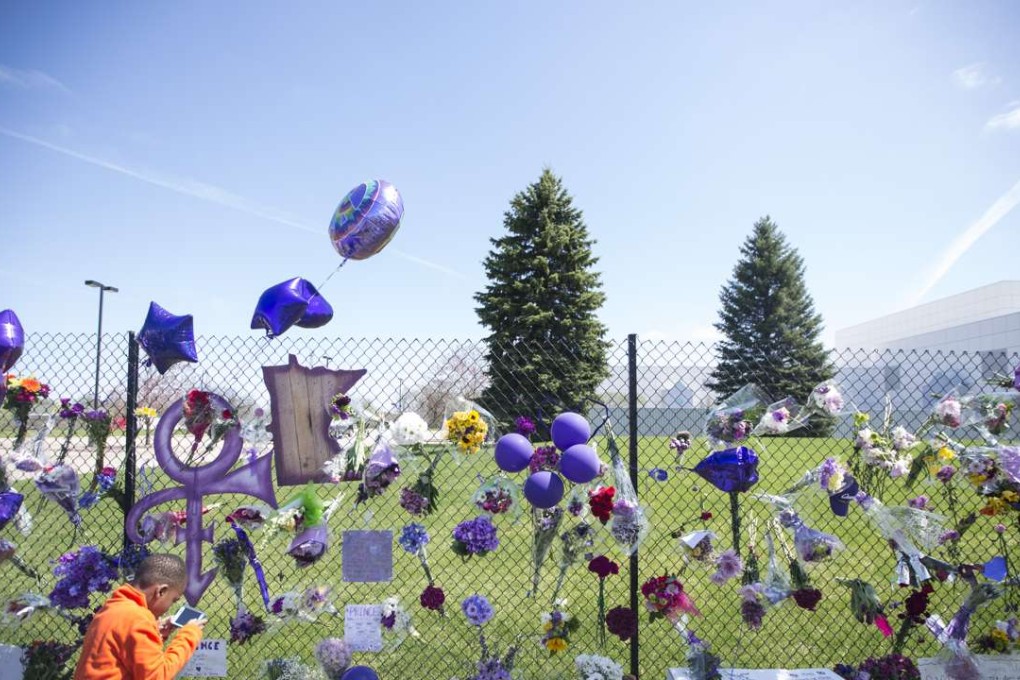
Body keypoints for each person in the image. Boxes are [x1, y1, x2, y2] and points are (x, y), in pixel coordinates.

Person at [74, 553, 205, 680]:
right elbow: (158, 676)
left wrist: (156, 632)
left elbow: (129, 648)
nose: (170, 606)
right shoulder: (139, 620)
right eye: (173, 600)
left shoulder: (114, 606)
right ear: (161, 591)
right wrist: (189, 634)